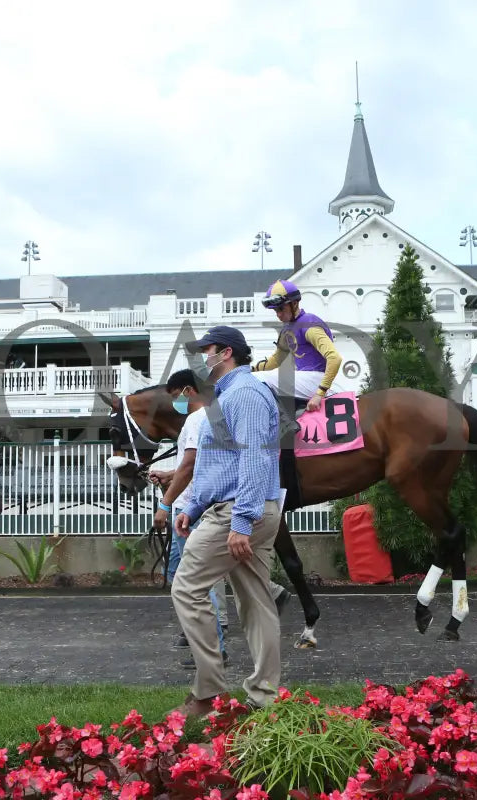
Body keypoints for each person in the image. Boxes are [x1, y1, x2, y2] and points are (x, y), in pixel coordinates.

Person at [171, 325, 283, 717]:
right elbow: (217, 465)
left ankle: (208, 692)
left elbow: (254, 457)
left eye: (208, 350)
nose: (203, 358)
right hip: (241, 507)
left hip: (241, 510)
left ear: (227, 353)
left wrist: (242, 521)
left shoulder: (246, 393)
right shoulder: (227, 396)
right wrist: (193, 506)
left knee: (186, 588)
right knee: (256, 602)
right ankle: (265, 699)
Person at [148, 369, 227, 669]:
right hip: (190, 507)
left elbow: (191, 464)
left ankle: (213, 650)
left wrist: (164, 506)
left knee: (194, 583)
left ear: (188, 391)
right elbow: (193, 466)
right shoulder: (209, 418)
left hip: (188, 511)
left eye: (175, 396)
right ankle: (207, 646)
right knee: (181, 579)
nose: (174, 404)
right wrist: (169, 475)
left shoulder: (197, 419)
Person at [252, 280, 343, 412]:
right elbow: (275, 361)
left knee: (258, 379)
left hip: (318, 380)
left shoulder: (308, 323)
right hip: (306, 381)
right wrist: (248, 369)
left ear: (294, 303)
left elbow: (335, 358)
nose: (278, 314)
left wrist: (319, 394)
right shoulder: (287, 329)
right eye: (276, 310)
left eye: (281, 308)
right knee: (251, 376)